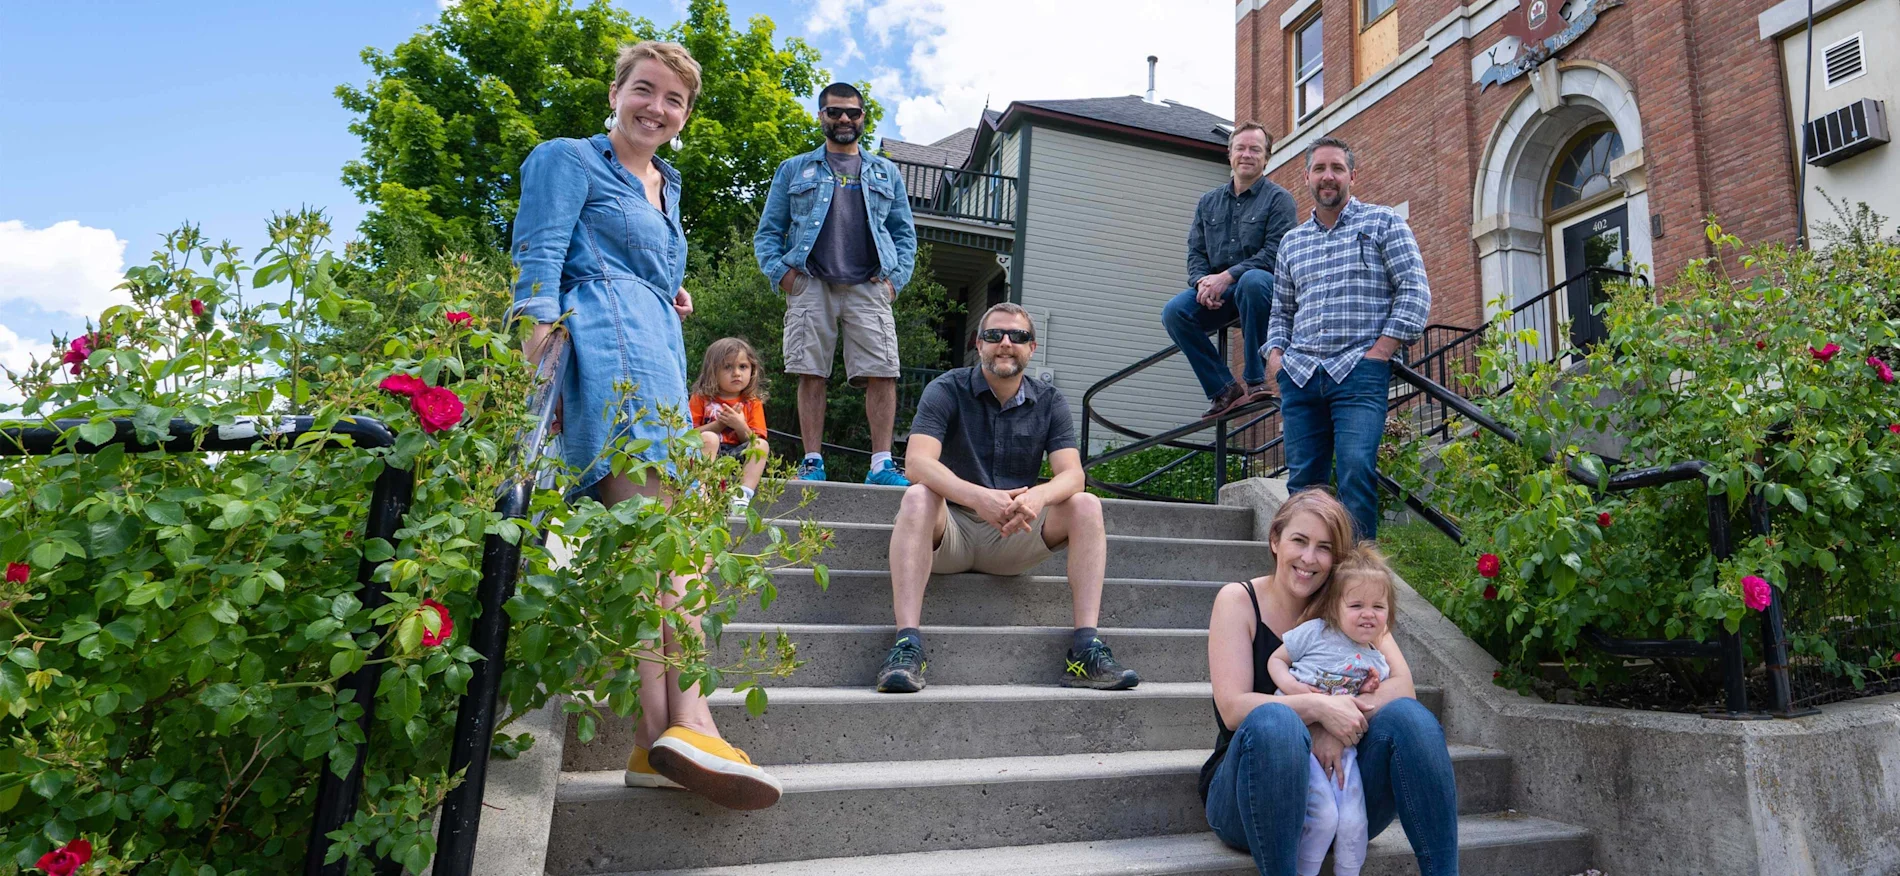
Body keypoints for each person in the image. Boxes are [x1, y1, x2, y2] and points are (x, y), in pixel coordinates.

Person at [509, 40, 780, 811]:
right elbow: (538, 270)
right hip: (610, 355)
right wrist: (540, 389)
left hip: (660, 357)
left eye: (675, 100)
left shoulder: (668, 183)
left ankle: (655, 741)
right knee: (674, 545)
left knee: (652, 551)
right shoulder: (567, 158)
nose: (657, 108)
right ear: (617, 90)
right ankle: (691, 720)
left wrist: (670, 287)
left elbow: (641, 262)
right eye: (646, 90)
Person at [874, 303, 1140, 693]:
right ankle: (906, 645)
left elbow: (1073, 475)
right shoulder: (946, 389)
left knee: (1086, 504)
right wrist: (979, 497)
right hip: (951, 534)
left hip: (1016, 533)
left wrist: (1038, 497)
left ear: (1031, 348)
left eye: (1017, 336)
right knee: (917, 497)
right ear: (977, 344)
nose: (1005, 343)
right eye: (994, 335)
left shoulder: (1050, 401)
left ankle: (1085, 649)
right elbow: (916, 462)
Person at [1201, 488, 1457, 875]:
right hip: (1251, 795)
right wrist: (1318, 710)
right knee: (1276, 721)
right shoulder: (1237, 601)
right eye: (1299, 541)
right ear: (1275, 540)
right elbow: (1234, 708)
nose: (1308, 558)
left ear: (1337, 558)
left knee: (1411, 718)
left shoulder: (1354, 603)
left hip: (1342, 791)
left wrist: (1338, 729)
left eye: (1323, 548)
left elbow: (1402, 687)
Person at [1264, 136, 1431, 541]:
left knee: (1356, 468)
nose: (1328, 176)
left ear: (1352, 176)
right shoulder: (1292, 242)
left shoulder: (1383, 223)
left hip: (1358, 372)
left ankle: (1357, 585)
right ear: (1306, 176)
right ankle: (1305, 577)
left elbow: (1414, 290)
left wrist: (1381, 351)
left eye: (1337, 168)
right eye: (1319, 168)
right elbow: (1281, 310)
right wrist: (1275, 355)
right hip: (1300, 375)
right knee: (1303, 485)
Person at [754, 82, 916, 487]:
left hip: (869, 285)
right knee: (811, 371)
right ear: (821, 116)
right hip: (812, 283)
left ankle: (881, 465)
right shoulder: (795, 169)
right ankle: (812, 461)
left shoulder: (885, 171)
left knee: (882, 371)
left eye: (852, 113)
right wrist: (785, 277)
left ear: (863, 117)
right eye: (834, 112)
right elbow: (767, 233)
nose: (844, 119)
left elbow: (904, 234)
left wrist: (893, 284)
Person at [1266, 544, 1402, 876]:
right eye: (1356, 605)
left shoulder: (1376, 660)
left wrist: (1368, 690)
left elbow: (1372, 700)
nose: (1367, 614)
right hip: (1297, 738)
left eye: (1378, 606)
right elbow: (1275, 660)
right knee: (1324, 816)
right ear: (1334, 607)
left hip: (1343, 749)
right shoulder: (1315, 633)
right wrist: (1296, 689)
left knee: (1354, 820)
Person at [1163, 121, 1297, 419]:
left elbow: (1276, 254)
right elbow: (1196, 253)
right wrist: (1202, 284)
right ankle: (1223, 388)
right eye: (1241, 148)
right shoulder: (1208, 203)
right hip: (1218, 294)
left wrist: (1226, 277)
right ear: (1230, 154)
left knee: (1252, 280)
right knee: (1174, 311)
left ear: (1266, 157)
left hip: (1263, 291)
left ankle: (1255, 380)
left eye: (1255, 149)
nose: (1246, 154)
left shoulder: (1280, 200)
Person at [690, 337, 771, 514]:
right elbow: (689, 435)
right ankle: (701, 492)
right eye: (728, 367)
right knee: (708, 438)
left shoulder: (752, 402)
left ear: (752, 370)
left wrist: (739, 425)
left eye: (743, 367)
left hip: (738, 454)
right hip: (710, 455)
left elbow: (754, 439)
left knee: (760, 445)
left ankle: (742, 497)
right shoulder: (701, 399)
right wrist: (718, 425)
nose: (736, 373)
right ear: (713, 371)